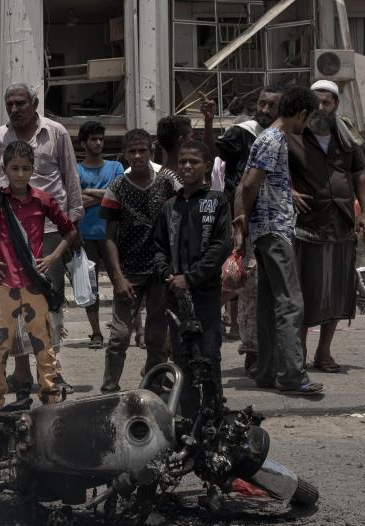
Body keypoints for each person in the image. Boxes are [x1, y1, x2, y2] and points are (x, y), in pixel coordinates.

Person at [0, 141, 78, 410]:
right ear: (5, 170)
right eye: (15, 168)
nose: (20, 174)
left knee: (44, 349)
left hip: (34, 285)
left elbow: (70, 231)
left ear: (33, 170)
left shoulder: (43, 200)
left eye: (25, 168)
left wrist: (54, 256)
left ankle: (50, 403)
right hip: (4, 285)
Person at [0, 83, 83, 396]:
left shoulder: (56, 133)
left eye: (20, 104)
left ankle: (52, 371)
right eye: (9, 104)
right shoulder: (0, 136)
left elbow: (70, 179)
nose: (14, 110)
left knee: (47, 301)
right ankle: (23, 372)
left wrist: (74, 221)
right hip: (8, 233)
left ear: (35, 103)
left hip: (50, 232)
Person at [232, 86, 323, 395]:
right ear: (302, 114)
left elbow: (253, 183)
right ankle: (292, 375)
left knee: (270, 304)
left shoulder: (269, 138)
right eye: (308, 119)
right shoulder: (273, 139)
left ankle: (268, 372)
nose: (306, 126)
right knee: (290, 302)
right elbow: (249, 185)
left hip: (267, 230)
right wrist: (243, 225)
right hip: (274, 229)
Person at [287, 79, 365, 374]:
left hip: (342, 222)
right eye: (316, 102)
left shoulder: (346, 135)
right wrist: (291, 192)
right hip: (307, 225)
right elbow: (273, 171)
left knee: (336, 291)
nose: (321, 107)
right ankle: (301, 353)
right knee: (305, 292)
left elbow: (360, 172)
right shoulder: (294, 134)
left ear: (336, 104)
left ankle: (324, 353)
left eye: (327, 102)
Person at [202, 86, 283, 375]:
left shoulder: (284, 137)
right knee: (248, 289)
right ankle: (252, 351)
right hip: (244, 221)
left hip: (276, 222)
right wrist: (209, 121)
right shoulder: (243, 132)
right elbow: (214, 153)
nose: (264, 110)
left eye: (271, 106)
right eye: (261, 103)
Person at [152, 140, 231, 416]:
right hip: (175, 296)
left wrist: (191, 278)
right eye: (182, 161)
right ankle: (188, 419)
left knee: (209, 355)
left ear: (206, 166)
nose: (187, 167)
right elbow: (159, 247)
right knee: (183, 359)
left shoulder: (217, 202)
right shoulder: (169, 206)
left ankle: (214, 417)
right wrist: (168, 275)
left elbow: (221, 246)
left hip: (206, 293)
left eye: (193, 162)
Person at [100, 128, 177, 393]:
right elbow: (109, 237)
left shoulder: (167, 183)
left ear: (151, 152)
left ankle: (154, 386)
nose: (137, 156)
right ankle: (109, 389)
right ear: (124, 155)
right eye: (131, 151)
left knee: (156, 336)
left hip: (159, 271)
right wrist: (118, 276)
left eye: (142, 150)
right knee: (119, 336)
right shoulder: (117, 188)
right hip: (129, 271)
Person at [76, 120, 124, 349]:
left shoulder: (115, 167)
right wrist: (105, 196)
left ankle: (131, 329)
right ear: (84, 142)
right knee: (90, 285)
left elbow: (120, 193)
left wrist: (88, 193)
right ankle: (96, 333)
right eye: (93, 139)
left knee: (120, 280)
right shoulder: (76, 169)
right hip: (86, 235)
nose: (98, 143)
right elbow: (76, 201)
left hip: (112, 234)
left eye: (100, 139)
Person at [155, 115, 192, 190]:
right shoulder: (165, 180)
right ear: (181, 140)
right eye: (190, 137)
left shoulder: (175, 176)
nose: (192, 141)